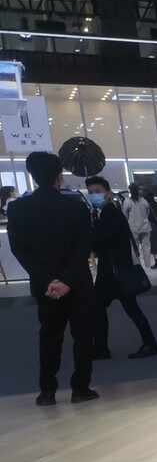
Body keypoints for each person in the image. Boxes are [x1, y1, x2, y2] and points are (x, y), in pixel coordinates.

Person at [7, 152, 98, 405]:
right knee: (83, 336)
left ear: (31, 174)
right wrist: (67, 280)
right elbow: (83, 247)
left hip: (44, 285)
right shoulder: (76, 206)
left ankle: (47, 392)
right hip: (77, 282)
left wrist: (47, 279)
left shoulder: (17, 208)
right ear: (59, 174)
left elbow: (19, 249)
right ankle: (81, 389)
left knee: (49, 335)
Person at [86, 176, 157, 360]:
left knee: (115, 308)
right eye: (91, 192)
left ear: (108, 193)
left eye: (98, 191)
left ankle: (104, 348)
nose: (94, 195)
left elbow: (100, 241)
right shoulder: (106, 212)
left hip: (114, 272)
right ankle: (105, 347)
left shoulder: (110, 213)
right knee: (123, 309)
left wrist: (92, 229)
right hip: (115, 271)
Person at [122, 183, 153, 268]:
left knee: (134, 247)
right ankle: (148, 265)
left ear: (130, 191)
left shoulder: (127, 201)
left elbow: (125, 215)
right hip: (145, 227)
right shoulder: (144, 201)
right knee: (146, 246)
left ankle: (137, 264)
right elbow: (148, 212)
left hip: (133, 228)